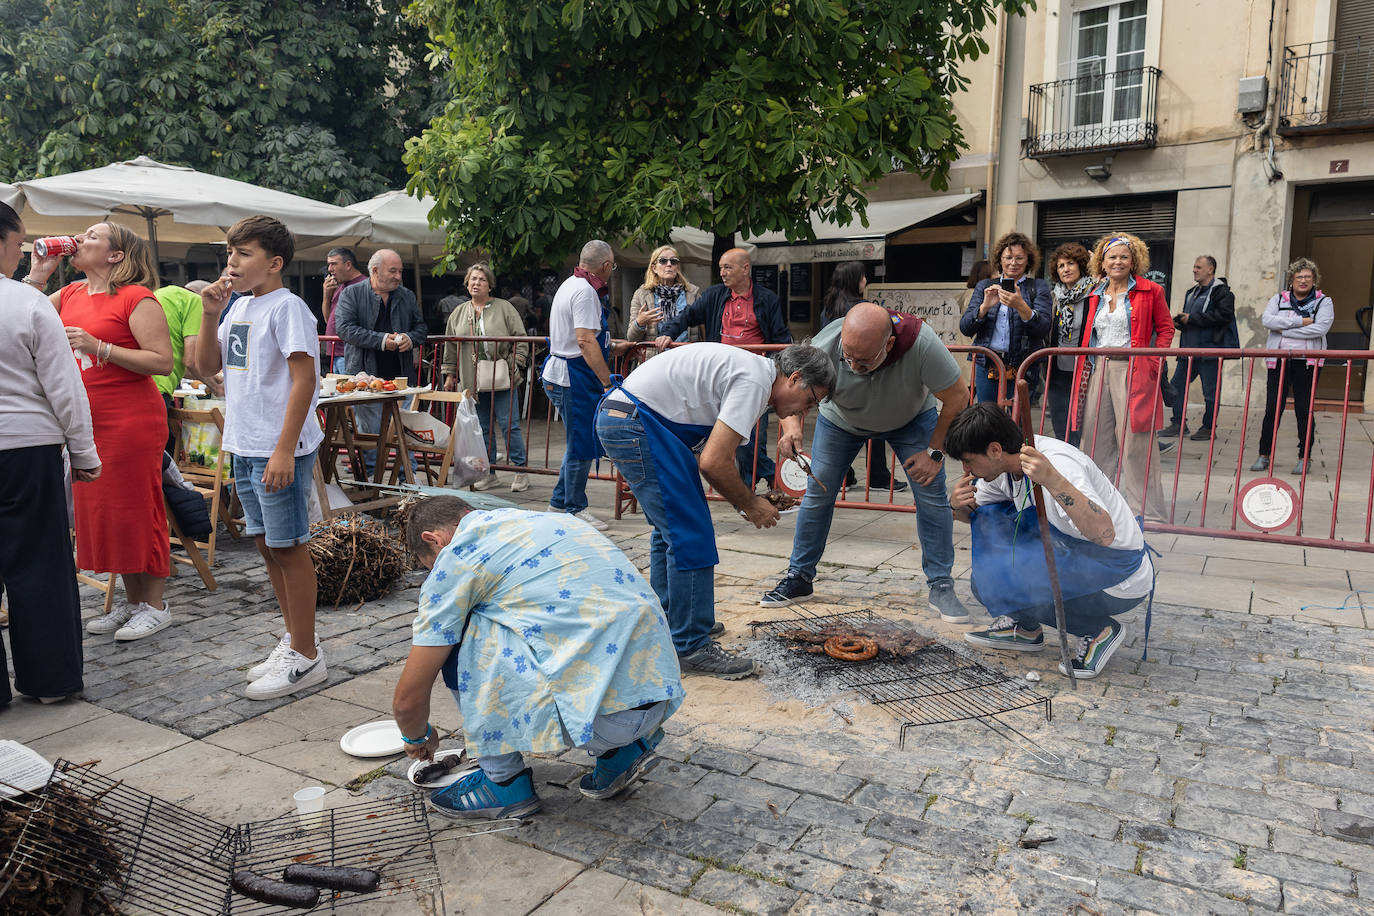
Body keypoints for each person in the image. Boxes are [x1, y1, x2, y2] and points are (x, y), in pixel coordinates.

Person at [392, 495, 684, 820]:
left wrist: (417, 736)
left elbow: (407, 699)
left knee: (457, 634)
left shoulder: (458, 555)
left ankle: (503, 782)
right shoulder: (552, 521)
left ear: (434, 540)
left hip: (604, 719)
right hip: (657, 694)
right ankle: (620, 751)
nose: (435, 571)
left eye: (431, 564)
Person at [597, 343, 835, 679]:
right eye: (810, 401)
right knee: (689, 532)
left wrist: (744, 499)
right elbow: (713, 462)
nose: (806, 411)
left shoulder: (755, 376)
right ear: (794, 378)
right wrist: (750, 504)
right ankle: (691, 645)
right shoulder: (755, 381)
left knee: (674, 529)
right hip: (636, 423)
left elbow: (712, 457)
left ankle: (676, 620)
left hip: (631, 419)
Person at [759, 302, 972, 624]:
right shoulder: (828, 342)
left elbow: (958, 396)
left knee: (931, 496)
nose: (853, 366)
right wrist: (791, 427)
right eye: (847, 358)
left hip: (911, 419)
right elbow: (792, 384)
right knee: (818, 493)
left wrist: (935, 452)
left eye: (863, 361)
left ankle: (941, 584)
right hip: (841, 421)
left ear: (889, 344)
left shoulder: (922, 343)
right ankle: (799, 576)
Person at [196, 215, 327, 700]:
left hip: (277, 447)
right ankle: (295, 640)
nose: (232, 261)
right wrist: (210, 314)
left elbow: (304, 380)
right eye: (230, 252)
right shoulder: (238, 307)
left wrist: (284, 450)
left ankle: (307, 655)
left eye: (243, 253)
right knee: (268, 546)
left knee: (289, 547)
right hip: (246, 444)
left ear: (274, 263)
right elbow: (206, 367)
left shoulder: (288, 308)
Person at [27, 222, 175, 642]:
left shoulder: (135, 297)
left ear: (116, 255)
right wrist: (37, 273)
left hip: (130, 419)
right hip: (86, 421)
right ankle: (133, 601)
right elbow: (19, 312)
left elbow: (162, 362)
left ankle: (155, 605)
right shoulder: (71, 292)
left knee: (138, 508)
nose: (80, 239)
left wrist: (100, 347)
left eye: (92, 236)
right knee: (108, 513)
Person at [946, 404, 1153, 680]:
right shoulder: (1001, 469)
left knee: (1011, 581)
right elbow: (973, 515)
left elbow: (1104, 533)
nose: (966, 469)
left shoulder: (1058, 463)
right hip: (1073, 553)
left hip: (1119, 572)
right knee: (987, 575)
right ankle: (1025, 628)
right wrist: (956, 505)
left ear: (995, 450)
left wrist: (1052, 479)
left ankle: (1099, 629)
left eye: (969, 461)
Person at [0, 202, 101, 706]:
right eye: (18, 243)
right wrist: (84, 452)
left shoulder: (27, 298)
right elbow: (64, 386)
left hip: (24, 441)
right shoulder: (26, 303)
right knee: (39, 562)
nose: (22, 253)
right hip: (26, 446)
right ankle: (50, 680)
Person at [656, 247, 792, 490]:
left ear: (745, 269)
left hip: (756, 379)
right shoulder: (714, 295)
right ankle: (764, 479)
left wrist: (777, 372)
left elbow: (781, 338)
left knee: (751, 438)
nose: (722, 273)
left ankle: (750, 488)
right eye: (720, 268)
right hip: (721, 378)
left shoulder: (767, 299)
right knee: (735, 437)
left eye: (727, 267)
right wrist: (668, 333)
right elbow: (687, 316)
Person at [1069, 233, 1173, 522]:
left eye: (1124, 256)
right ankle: (1099, 508)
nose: (1118, 262)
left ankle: (1148, 513)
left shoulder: (1152, 290)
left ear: (1133, 260)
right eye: (1112, 257)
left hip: (1133, 369)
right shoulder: (1095, 293)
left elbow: (1166, 328)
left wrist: (1154, 360)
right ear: (1102, 263)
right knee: (1095, 440)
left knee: (1136, 443)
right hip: (1098, 368)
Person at [543, 240, 620, 531]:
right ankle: (574, 508)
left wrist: (613, 346)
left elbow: (584, 337)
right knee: (582, 445)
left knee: (579, 442)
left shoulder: (570, 284)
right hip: (572, 376)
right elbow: (585, 340)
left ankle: (558, 504)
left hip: (564, 372)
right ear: (606, 266)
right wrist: (606, 382)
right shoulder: (586, 292)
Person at [334, 248, 427, 476]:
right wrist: (383, 340)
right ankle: (370, 483)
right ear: (375, 271)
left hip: (401, 377)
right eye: (393, 271)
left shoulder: (406, 295)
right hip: (366, 378)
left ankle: (408, 482)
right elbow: (344, 329)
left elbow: (421, 328)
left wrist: (410, 338)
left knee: (405, 433)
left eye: (400, 271)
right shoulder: (351, 293)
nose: (398, 276)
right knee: (370, 435)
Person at [440, 263, 530, 493]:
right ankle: (489, 474)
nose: (476, 283)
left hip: (502, 377)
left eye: (481, 279)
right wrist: (450, 375)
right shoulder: (458, 313)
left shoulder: (504, 308)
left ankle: (521, 471)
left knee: (509, 425)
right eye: (473, 279)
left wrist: (514, 365)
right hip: (472, 380)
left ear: (490, 285)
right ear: (466, 283)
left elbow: (521, 338)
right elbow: (451, 346)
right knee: (482, 427)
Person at [818, 261, 905, 493]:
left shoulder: (828, 307)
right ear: (855, 280)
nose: (865, 280)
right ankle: (878, 476)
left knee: (841, 425)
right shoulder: (863, 309)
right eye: (863, 276)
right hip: (866, 376)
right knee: (874, 426)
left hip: (835, 376)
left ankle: (844, 477)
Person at [1251, 258, 1334, 475]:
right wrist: (1300, 322)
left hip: (1307, 362)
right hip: (1279, 360)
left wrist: (1284, 330)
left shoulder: (1323, 302)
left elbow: (1320, 329)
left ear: (1314, 280)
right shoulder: (1279, 299)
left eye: (1308, 277)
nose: (1303, 281)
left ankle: (1304, 457)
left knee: (1304, 410)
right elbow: (1267, 321)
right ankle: (1264, 454)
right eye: (1299, 277)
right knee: (1272, 409)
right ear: (1292, 280)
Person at [958, 231, 1052, 405]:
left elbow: (1043, 328)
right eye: (1008, 257)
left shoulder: (1038, 287)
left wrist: (1021, 306)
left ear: (1028, 260)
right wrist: (984, 307)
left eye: (1019, 258)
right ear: (1000, 260)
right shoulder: (985, 286)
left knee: (1018, 416)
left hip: (1024, 366)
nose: (1013, 263)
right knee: (988, 414)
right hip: (987, 364)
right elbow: (965, 327)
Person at [1158, 256, 1238, 445]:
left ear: (1210, 269)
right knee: (1175, 387)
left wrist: (1192, 318)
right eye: (1194, 267)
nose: (1194, 270)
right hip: (1188, 351)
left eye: (1198, 267)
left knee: (1210, 393)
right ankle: (1178, 424)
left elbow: (1223, 316)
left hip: (1210, 351)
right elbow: (1194, 319)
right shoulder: (1191, 292)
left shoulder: (1223, 293)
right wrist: (1180, 321)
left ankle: (1208, 427)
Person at [152, 280, 217, 453]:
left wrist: (210, 377)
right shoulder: (196, 302)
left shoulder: (161, 294)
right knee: (162, 453)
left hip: (142, 383)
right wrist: (216, 387)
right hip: (159, 388)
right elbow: (192, 361)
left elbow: (184, 365)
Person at [1046, 243, 1094, 445]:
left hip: (1087, 369)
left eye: (1071, 263)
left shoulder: (1095, 293)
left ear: (1081, 266)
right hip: (1058, 369)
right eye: (1061, 265)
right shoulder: (1054, 297)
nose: (1066, 269)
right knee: (1060, 420)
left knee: (1087, 422)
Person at [625, 244, 700, 349]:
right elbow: (631, 338)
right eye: (663, 261)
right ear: (654, 267)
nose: (669, 264)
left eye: (673, 261)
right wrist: (639, 323)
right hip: (656, 356)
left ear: (677, 267)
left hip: (687, 355)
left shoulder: (692, 293)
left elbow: (704, 330)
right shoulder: (642, 294)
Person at [321, 247, 367, 374]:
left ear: (348, 265)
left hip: (349, 354)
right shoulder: (340, 286)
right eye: (329, 264)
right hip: (335, 354)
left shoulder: (363, 285)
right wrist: (326, 297)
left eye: (334, 264)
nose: (330, 269)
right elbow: (328, 320)